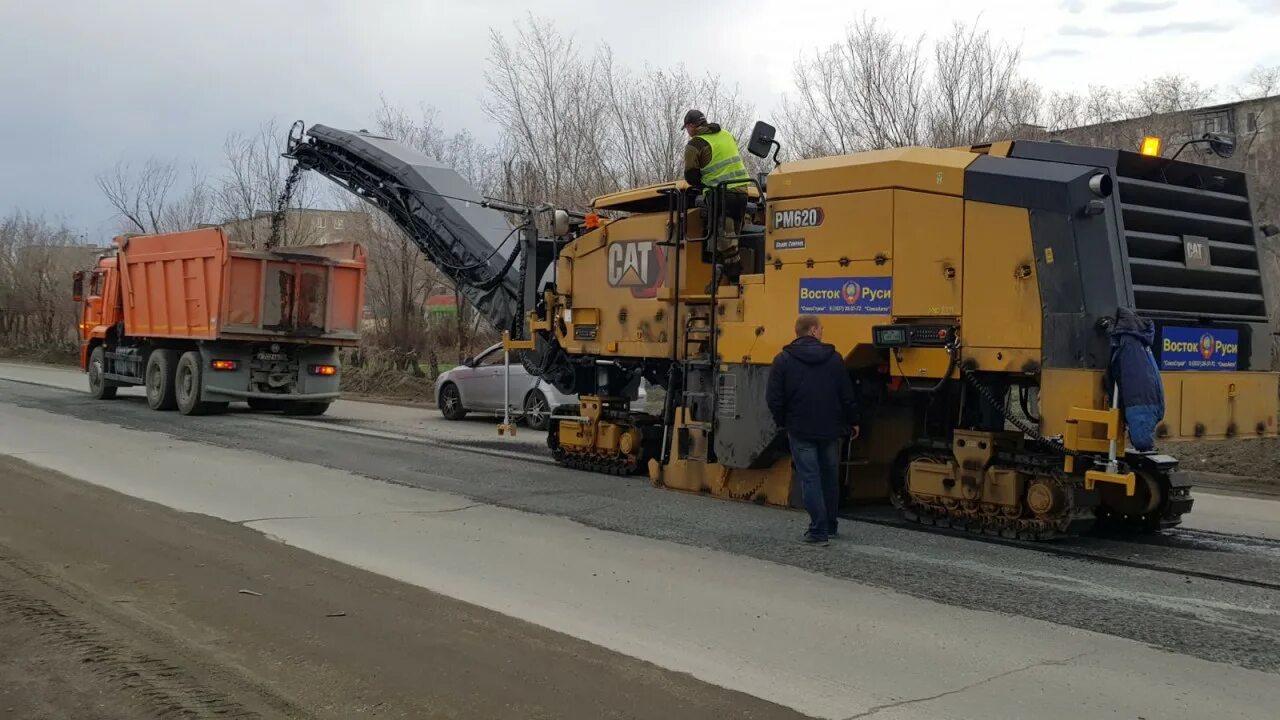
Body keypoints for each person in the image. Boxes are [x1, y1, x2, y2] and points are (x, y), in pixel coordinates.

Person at [766, 315, 860, 546]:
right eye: (821, 329)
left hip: (800, 428)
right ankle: (830, 524)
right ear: (813, 331)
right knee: (830, 477)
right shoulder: (835, 359)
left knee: (810, 478)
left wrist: (783, 421)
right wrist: (853, 421)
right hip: (830, 429)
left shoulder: (783, 360)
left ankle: (818, 531)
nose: (823, 333)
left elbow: (774, 398)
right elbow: (846, 395)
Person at [682, 109, 750, 286]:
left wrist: (702, 185)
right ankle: (721, 273)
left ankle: (734, 279)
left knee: (724, 241)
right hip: (743, 193)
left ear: (691, 126)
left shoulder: (695, 144)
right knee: (733, 237)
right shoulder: (727, 134)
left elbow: (691, 176)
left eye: (687, 128)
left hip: (721, 196)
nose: (687, 132)